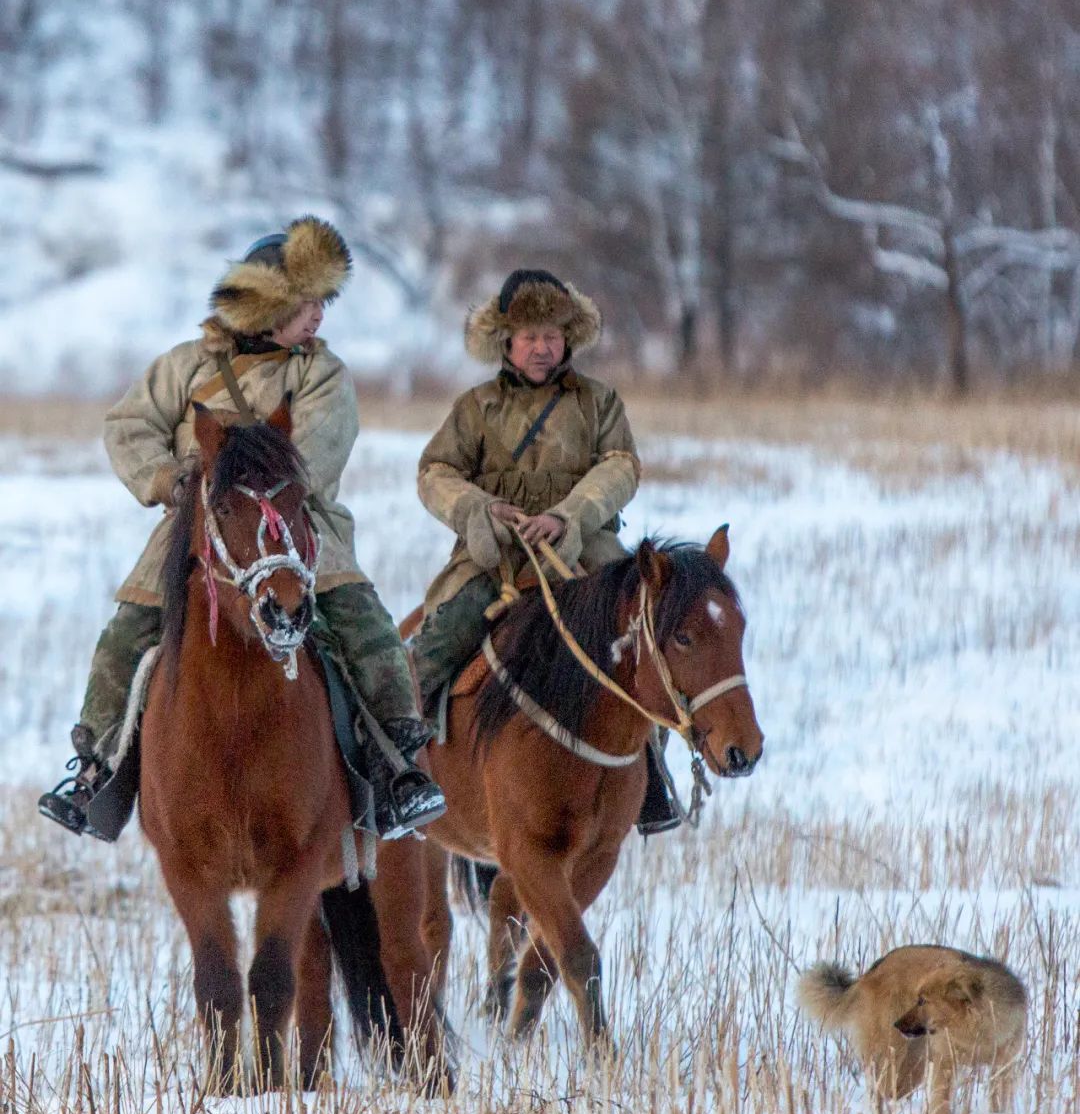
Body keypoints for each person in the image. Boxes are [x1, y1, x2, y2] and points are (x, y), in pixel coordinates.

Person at [38, 217, 445, 841]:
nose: (318, 317)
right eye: (308, 303)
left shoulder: (320, 372)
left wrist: (246, 484)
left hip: (298, 529)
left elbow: (315, 454)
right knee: (126, 635)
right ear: (267, 305)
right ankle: (96, 771)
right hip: (195, 530)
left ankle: (400, 770)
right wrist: (169, 481)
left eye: (323, 303)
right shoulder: (184, 365)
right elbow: (128, 426)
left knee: (366, 628)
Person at [411, 267, 680, 833]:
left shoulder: (598, 402)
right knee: (430, 649)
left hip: (586, 556)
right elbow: (436, 472)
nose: (541, 347)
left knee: (645, 642)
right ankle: (400, 769)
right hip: (496, 559)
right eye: (529, 336)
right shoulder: (474, 407)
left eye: (552, 335)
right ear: (505, 341)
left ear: (569, 340)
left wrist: (569, 516)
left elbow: (620, 466)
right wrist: (480, 512)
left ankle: (653, 780)